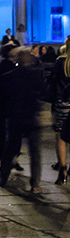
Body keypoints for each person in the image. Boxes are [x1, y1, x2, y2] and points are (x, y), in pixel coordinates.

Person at [0, 47, 45, 193]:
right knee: (35, 152)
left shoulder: (10, 76)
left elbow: (4, 97)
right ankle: (35, 183)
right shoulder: (36, 75)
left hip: (16, 116)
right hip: (31, 117)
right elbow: (43, 93)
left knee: (11, 147)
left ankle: (4, 175)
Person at [52, 37, 70, 186]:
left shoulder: (60, 61)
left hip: (62, 102)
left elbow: (53, 81)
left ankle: (62, 168)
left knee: (60, 135)